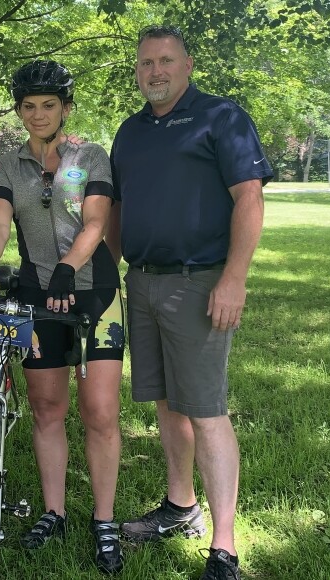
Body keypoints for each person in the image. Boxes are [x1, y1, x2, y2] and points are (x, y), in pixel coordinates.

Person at [107, 25, 273, 580]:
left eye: (166, 61)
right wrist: (114, 268)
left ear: (188, 64)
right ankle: (181, 507)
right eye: (146, 63)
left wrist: (234, 278)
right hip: (143, 282)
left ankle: (224, 548)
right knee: (166, 404)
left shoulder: (221, 117)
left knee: (205, 411)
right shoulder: (129, 133)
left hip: (200, 281)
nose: (155, 71)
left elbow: (249, 198)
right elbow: (118, 209)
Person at [0, 60, 126, 574]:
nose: (37, 114)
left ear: (65, 108)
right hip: (34, 295)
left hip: (93, 293)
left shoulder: (89, 155)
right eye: (28, 106)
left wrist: (69, 269)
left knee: (99, 412)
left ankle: (103, 520)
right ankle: (54, 512)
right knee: (47, 407)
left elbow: (96, 220)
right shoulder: (7, 165)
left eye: (48, 105)